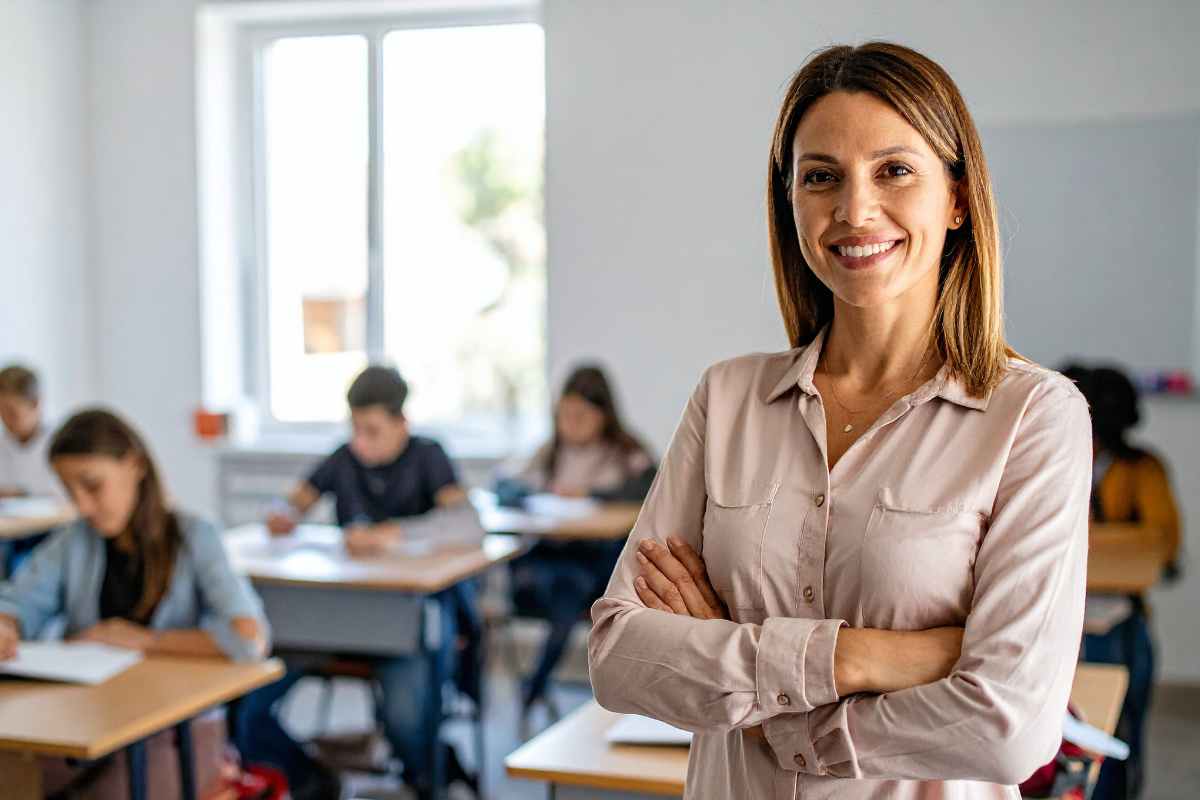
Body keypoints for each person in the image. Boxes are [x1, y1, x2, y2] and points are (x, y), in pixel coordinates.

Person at [588, 42, 1093, 799]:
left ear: (956, 198)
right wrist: (864, 658)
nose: (855, 210)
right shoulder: (727, 399)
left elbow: (1009, 727)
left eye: (894, 170)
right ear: (789, 200)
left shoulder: (1035, 417)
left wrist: (755, 696)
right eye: (821, 177)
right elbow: (619, 656)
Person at [236, 365, 483, 800]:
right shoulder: (343, 459)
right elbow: (291, 501)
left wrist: (396, 535)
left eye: (372, 430)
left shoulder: (428, 457)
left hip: (403, 622)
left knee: (409, 719)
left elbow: (467, 525)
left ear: (401, 423)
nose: (360, 441)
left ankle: (428, 776)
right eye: (355, 429)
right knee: (245, 706)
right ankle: (313, 780)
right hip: (329, 619)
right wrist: (281, 513)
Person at [0, 409, 269, 796]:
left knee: (106, 793)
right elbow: (19, 600)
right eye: (69, 490)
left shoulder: (195, 536)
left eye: (92, 486)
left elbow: (249, 639)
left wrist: (144, 641)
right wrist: (6, 623)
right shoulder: (73, 541)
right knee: (17, 777)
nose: (83, 506)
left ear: (135, 465)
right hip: (86, 722)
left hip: (178, 734)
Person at [498, 364, 656, 713]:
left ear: (603, 415)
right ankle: (535, 686)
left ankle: (535, 685)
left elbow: (651, 489)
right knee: (550, 584)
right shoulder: (549, 451)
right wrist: (537, 492)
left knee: (570, 587)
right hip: (550, 555)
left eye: (581, 415)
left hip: (594, 559)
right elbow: (505, 486)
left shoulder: (626, 452)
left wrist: (588, 494)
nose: (570, 424)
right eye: (564, 415)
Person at [1063, 363, 1181, 799]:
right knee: (1066, 730)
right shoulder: (1057, 460)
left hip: (1118, 620)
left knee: (1119, 733)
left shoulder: (1142, 470)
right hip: (1060, 614)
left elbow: (1163, 546)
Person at [0, 364, 67, 574]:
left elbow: (64, 497)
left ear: (35, 404)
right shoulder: (3, 443)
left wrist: (20, 492)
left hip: (49, 533)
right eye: (0, 411)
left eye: (12, 412)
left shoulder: (61, 443)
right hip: (10, 534)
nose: (5, 420)